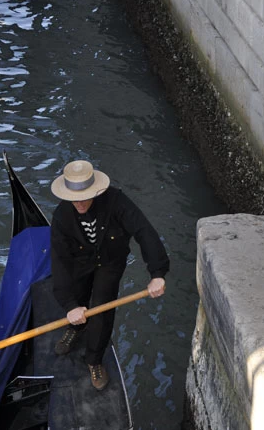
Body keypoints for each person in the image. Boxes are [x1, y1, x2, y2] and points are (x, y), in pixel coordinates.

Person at [49, 159, 168, 390]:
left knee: (102, 307)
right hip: (79, 261)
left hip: (111, 261)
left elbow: (144, 231)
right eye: (75, 198)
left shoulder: (117, 202)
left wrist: (157, 272)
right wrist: (70, 305)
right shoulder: (61, 217)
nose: (80, 203)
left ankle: (94, 360)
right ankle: (76, 327)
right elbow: (60, 261)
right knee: (78, 296)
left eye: (84, 196)